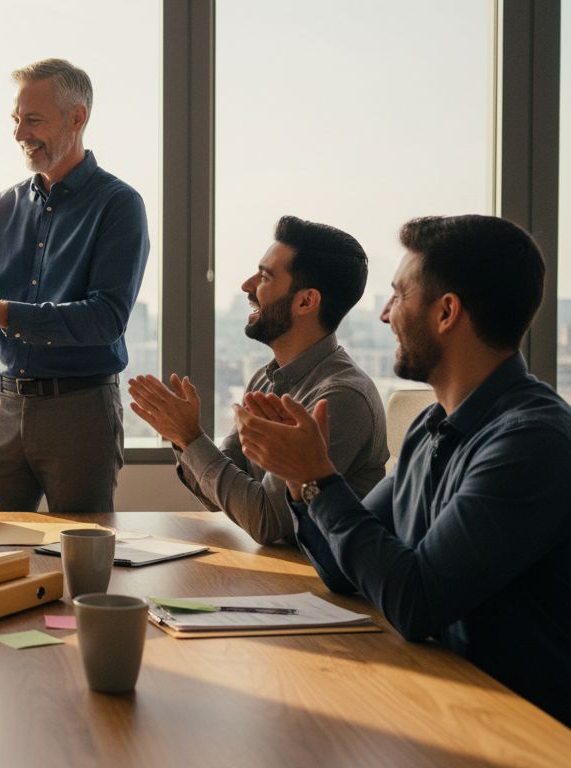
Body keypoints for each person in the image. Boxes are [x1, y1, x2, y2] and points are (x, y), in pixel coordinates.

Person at [233, 215, 571, 725]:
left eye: (399, 295)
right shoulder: (431, 426)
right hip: (444, 696)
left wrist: (320, 479)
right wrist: (306, 482)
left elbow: (417, 602)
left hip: (521, 727)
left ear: (446, 312)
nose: (386, 314)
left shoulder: (532, 442)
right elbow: (341, 568)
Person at [0, 58, 148, 513]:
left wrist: (3, 313)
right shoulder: (3, 205)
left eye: (32, 120)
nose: (18, 134)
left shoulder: (120, 205)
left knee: (81, 556)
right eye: (16, 120)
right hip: (1, 407)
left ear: (77, 118)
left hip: (81, 410)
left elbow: (106, 319)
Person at [128, 216, 387, 544]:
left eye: (265, 276)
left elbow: (268, 522)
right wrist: (183, 439)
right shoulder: (265, 380)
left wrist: (191, 437)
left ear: (306, 301)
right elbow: (218, 497)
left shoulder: (341, 398)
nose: (247, 286)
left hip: (317, 583)